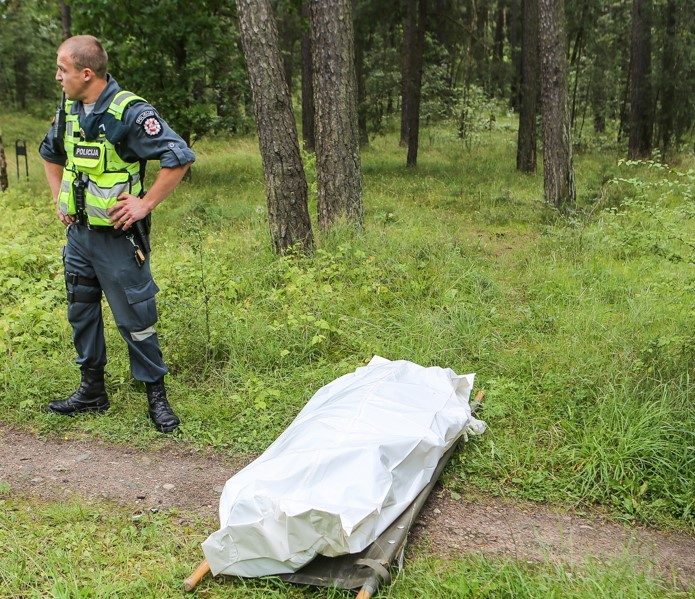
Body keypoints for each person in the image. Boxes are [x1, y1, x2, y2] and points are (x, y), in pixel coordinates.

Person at [39, 35, 194, 433]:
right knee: (81, 310)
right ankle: (92, 391)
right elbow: (50, 153)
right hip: (79, 238)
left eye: (63, 69)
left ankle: (156, 397)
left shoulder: (130, 111)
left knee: (136, 317)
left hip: (119, 240)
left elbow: (178, 156)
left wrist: (144, 204)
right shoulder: (69, 110)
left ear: (86, 73)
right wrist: (59, 199)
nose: (58, 76)